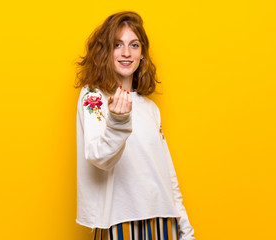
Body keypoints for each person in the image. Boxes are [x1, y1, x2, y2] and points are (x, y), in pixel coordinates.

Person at [74, 11, 196, 240]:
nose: (126, 53)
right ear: (105, 52)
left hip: (163, 222)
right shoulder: (93, 96)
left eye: (134, 45)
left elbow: (167, 175)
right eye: (117, 45)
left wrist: (185, 229)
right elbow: (98, 156)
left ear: (142, 54)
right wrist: (118, 123)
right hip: (119, 222)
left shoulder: (150, 108)